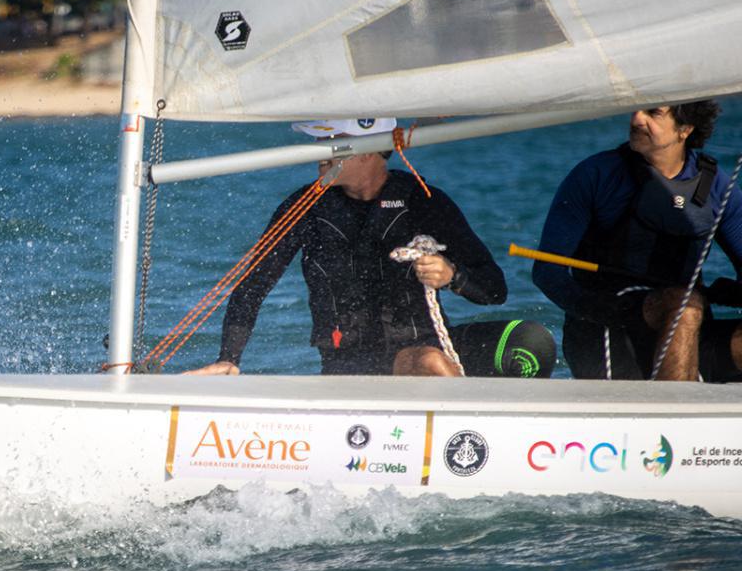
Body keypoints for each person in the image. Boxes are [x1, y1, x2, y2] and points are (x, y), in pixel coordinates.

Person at [188, 118, 555, 377]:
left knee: (531, 345)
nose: (320, 150)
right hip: (349, 362)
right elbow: (253, 284)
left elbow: (495, 290)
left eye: (330, 141)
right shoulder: (305, 207)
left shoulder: (424, 201)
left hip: (421, 346)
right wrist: (229, 357)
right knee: (428, 363)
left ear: (367, 152)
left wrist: (451, 276)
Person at [533, 100, 742, 381]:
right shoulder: (597, 175)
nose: (636, 119)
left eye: (653, 113)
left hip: (688, 332)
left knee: (686, 307)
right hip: (607, 331)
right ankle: (674, 417)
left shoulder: (717, 187)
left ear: (685, 129)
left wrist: (729, 293)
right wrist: (600, 309)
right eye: (637, 109)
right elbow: (547, 272)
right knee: (684, 304)